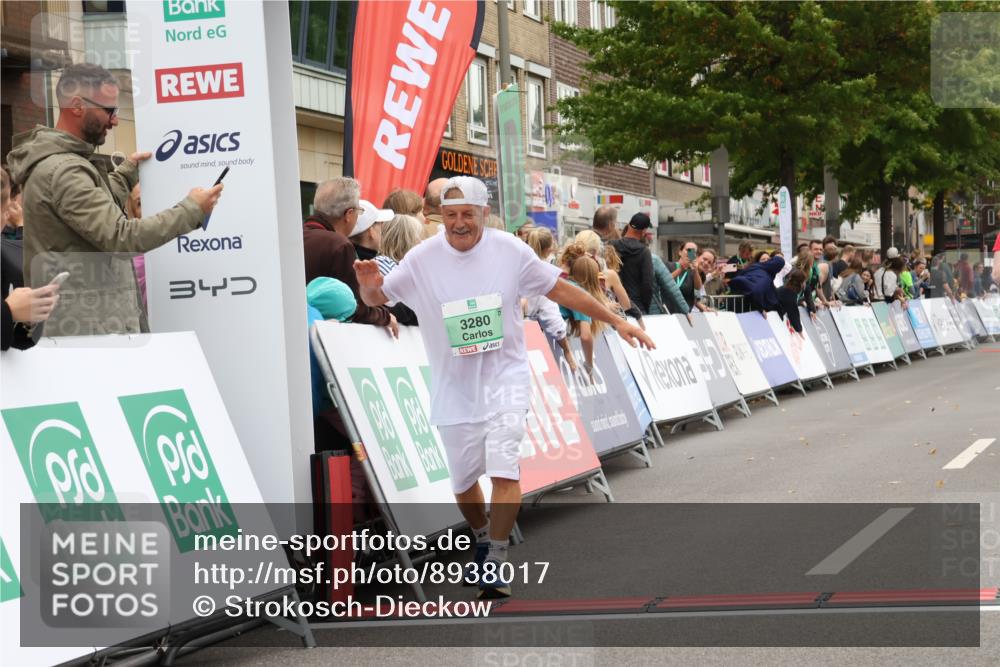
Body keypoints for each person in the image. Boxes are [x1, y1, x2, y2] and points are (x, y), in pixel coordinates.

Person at [353, 176, 653, 599]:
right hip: (453, 384)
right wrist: (368, 286)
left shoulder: (510, 250)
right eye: (451, 216)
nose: (458, 224)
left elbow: (560, 288)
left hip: (505, 377)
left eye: (467, 216)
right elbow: (376, 297)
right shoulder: (423, 257)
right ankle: (480, 535)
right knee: (462, 482)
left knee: (503, 467)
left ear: (484, 214)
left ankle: (496, 555)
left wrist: (619, 320)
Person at [7, 62, 222, 336]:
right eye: (109, 110)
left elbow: (90, 208)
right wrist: (192, 209)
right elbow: (122, 237)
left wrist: (127, 172)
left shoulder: (64, 166)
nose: (115, 120)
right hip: (88, 338)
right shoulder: (64, 171)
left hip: (87, 332)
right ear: (77, 106)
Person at [303, 177, 397, 336]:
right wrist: (385, 317)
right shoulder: (338, 245)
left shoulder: (294, 236)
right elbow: (353, 307)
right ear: (349, 214)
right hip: (327, 341)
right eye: (358, 212)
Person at [522, 228, 575, 371]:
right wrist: (567, 350)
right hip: (531, 340)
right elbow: (553, 321)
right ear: (549, 248)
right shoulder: (544, 275)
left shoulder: (516, 266)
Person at [376, 213, 424, 326]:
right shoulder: (382, 263)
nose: (422, 242)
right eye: (418, 237)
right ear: (405, 240)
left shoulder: (409, 268)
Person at [610, 213, 655, 315]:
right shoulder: (644, 252)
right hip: (637, 307)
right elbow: (648, 284)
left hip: (613, 306)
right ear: (644, 231)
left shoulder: (611, 246)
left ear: (629, 225)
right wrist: (645, 307)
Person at [668, 241, 710, 313]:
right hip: (668, 311)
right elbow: (665, 280)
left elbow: (698, 287)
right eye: (688, 250)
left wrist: (695, 270)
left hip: (685, 313)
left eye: (693, 252)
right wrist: (681, 269)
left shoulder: (692, 272)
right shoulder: (669, 265)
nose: (690, 253)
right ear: (680, 252)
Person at [776, 269, 807, 334]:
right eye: (804, 281)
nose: (805, 284)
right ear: (800, 283)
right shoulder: (791, 295)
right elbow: (793, 314)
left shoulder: (784, 288)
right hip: (773, 316)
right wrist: (799, 330)